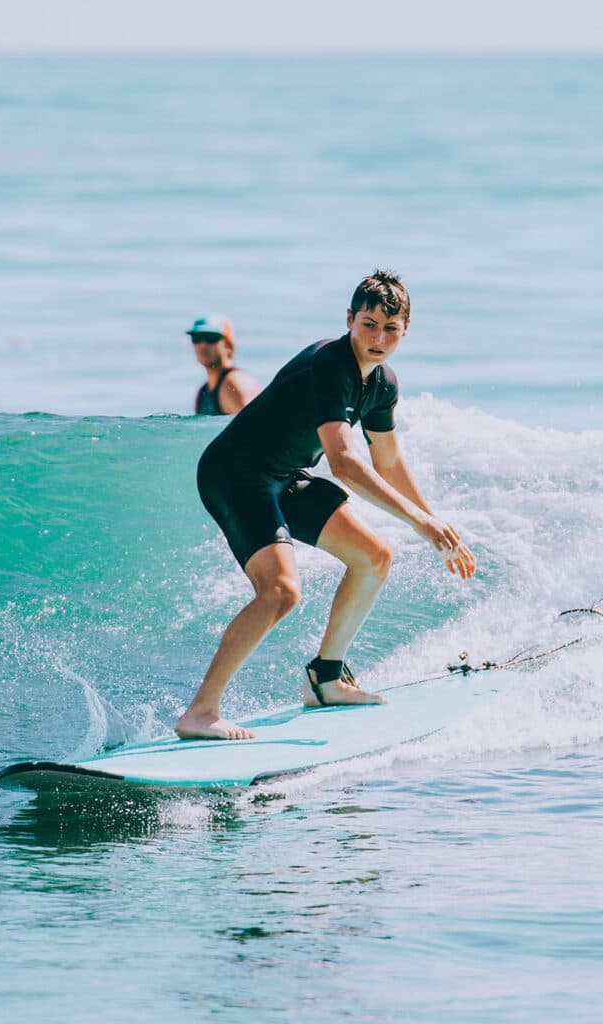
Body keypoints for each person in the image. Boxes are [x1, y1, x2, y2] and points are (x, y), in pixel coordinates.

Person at [177, 270, 477, 741]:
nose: (378, 339)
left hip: (283, 475)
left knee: (374, 557)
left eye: (390, 328)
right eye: (369, 325)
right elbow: (343, 463)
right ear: (349, 319)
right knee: (280, 591)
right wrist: (419, 522)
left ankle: (326, 679)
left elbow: (388, 461)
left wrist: (433, 521)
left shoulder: (382, 383)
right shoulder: (329, 365)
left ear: (406, 328)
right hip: (235, 473)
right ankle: (201, 712)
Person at [188, 314, 261, 415]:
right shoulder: (203, 392)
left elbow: (257, 422)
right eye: (196, 338)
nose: (203, 345)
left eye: (211, 338)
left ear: (228, 344)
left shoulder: (236, 383)